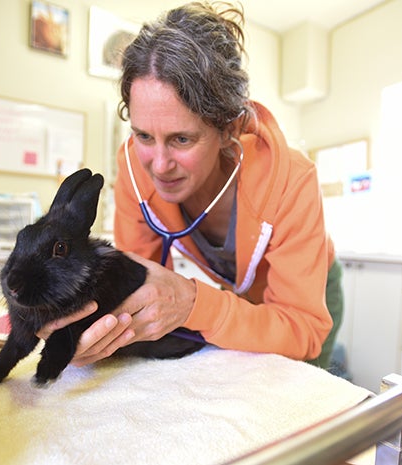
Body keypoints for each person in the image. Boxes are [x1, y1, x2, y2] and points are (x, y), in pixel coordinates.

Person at [38, 1, 343, 370]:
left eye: (182, 139)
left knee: (301, 392)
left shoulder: (292, 180)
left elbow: (301, 329)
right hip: (240, 295)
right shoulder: (135, 165)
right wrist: (89, 327)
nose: (159, 165)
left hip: (308, 298)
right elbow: (134, 284)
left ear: (228, 128)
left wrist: (194, 303)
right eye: (144, 135)